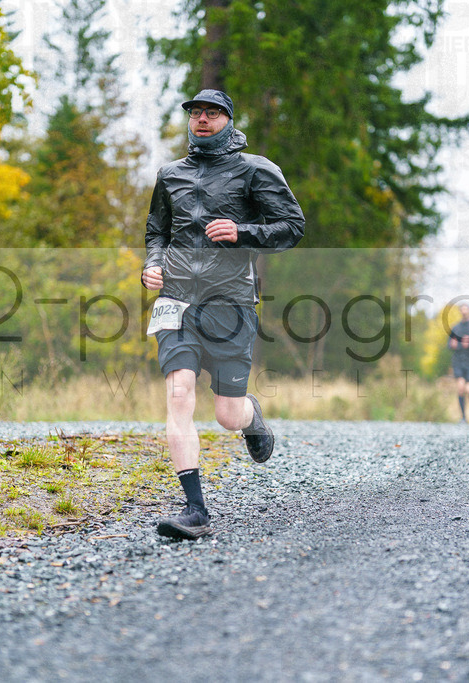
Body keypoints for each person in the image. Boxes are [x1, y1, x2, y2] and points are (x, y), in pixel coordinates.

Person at [141, 89, 305, 540]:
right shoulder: (170, 174)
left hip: (230, 303)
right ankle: (195, 510)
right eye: (196, 113)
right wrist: (152, 265)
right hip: (176, 303)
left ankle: (251, 417)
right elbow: (157, 231)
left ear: (229, 120)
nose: (202, 119)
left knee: (227, 415)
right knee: (178, 397)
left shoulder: (255, 169)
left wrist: (242, 231)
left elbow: (293, 227)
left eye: (212, 113)